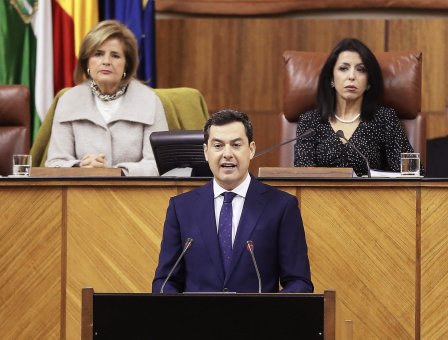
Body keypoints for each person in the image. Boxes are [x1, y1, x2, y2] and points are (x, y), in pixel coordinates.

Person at [153, 110, 313, 293]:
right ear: (206, 152)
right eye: (218, 146)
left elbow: (299, 282)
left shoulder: (282, 206)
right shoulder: (181, 208)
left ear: (251, 149)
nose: (227, 154)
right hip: (196, 319)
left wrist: (271, 314)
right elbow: (165, 281)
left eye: (236, 145)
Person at [46, 20, 167, 176]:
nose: (106, 62)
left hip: (132, 196)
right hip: (79, 195)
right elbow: (54, 163)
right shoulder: (68, 100)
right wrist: (80, 167)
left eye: (115, 56)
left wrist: (118, 172)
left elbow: (158, 164)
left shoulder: (149, 101)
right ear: (87, 62)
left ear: (127, 65)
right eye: (98, 54)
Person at [294, 38, 417, 177]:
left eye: (361, 70)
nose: (351, 76)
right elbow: (302, 178)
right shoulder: (310, 122)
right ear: (331, 79)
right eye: (343, 69)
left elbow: (411, 174)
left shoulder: (384, 118)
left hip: (372, 197)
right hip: (320, 198)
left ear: (369, 82)